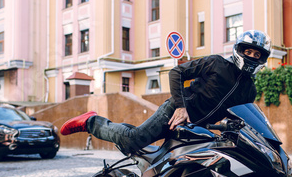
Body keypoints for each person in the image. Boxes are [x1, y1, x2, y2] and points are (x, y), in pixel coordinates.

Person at [60, 30, 271, 154]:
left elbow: (238, 116)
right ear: (239, 50)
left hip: (197, 130)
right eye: (248, 51)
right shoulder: (216, 64)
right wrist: (181, 106)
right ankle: (91, 122)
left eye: (256, 54)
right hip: (175, 113)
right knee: (134, 140)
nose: (251, 56)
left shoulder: (249, 91)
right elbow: (177, 72)